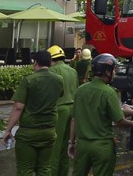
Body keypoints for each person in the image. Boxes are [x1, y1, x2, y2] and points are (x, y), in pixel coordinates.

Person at [68, 53, 133, 176]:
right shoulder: (109, 92)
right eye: (113, 70)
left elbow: (74, 119)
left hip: (82, 145)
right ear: (107, 72)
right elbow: (119, 121)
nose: (114, 73)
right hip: (102, 146)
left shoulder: (80, 90)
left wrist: (71, 143)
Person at [3, 50, 65, 176]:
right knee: (44, 168)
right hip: (49, 131)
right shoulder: (58, 80)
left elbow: (18, 107)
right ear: (50, 63)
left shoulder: (29, 80)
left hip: (28, 133)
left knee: (25, 170)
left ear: (35, 62)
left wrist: (8, 130)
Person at [47, 45, 78, 176]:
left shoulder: (52, 71)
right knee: (65, 148)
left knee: (54, 150)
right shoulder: (72, 71)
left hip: (59, 109)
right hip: (73, 110)